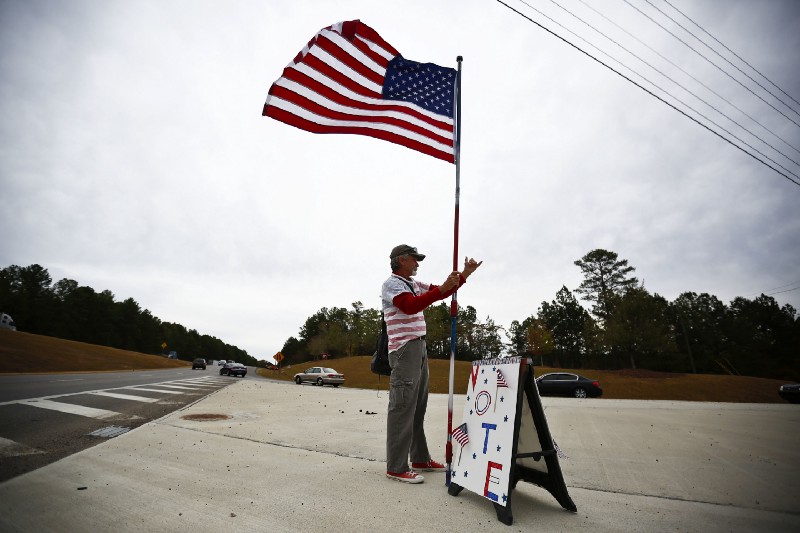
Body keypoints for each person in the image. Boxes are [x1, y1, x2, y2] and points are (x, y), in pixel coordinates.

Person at [382, 244, 482, 483]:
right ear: (402, 260)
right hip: (404, 349)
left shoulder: (414, 284)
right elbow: (410, 306)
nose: (418, 264)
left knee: (418, 406)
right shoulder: (392, 284)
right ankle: (396, 467)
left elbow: (442, 291)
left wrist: (464, 275)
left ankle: (419, 458)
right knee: (403, 406)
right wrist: (442, 290)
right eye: (415, 260)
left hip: (418, 347)